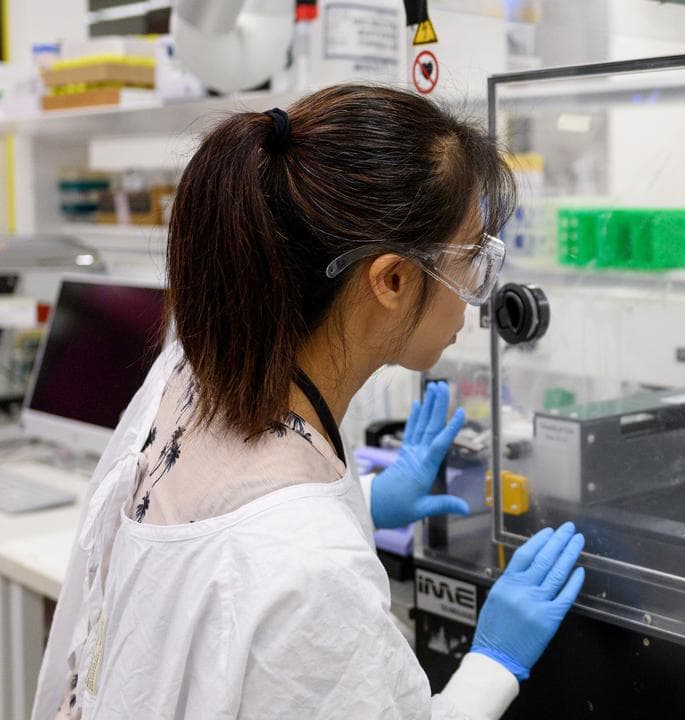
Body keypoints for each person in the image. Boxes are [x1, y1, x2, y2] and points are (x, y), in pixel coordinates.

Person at [32, 84, 585, 720]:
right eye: (471, 259)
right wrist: (493, 663)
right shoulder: (314, 570)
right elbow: (273, 567)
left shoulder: (190, 368)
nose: (475, 292)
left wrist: (367, 503)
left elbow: (215, 535)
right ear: (394, 280)